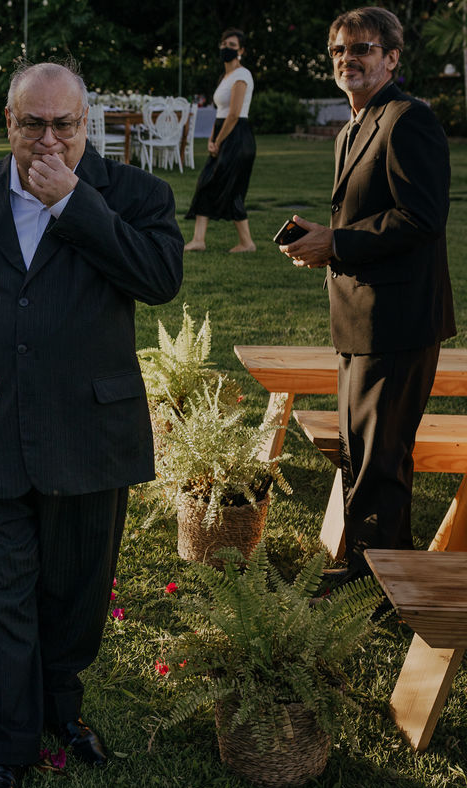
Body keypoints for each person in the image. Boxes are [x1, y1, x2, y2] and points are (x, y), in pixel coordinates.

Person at [0, 60, 183, 788]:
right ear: (8, 123)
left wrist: (75, 205)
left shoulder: (134, 195)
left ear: (85, 124)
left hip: (90, 434)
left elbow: (159, 279)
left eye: (64, 124)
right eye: (33, 124)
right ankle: (6, 750)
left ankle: (63, 707)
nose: (48, 139)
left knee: (75, 595)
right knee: (0, 599)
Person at [279, 7, 454, 587]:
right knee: (359, 453)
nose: (347, 59)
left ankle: (377, 582)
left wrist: (340, 242)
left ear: (392, 58)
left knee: (381, 459)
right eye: (338, 51)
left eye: (362, 48)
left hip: (399, 321)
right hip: (358, 319)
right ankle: (370, 569)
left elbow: (422, 218)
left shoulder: (408, 120)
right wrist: (322, 243)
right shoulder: (354, 126)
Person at [184, 28, 257, 253]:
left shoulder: (242, 75)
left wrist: (219, 140)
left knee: (231, 188)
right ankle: (198, 240)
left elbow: (234, 114)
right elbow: (221, 113)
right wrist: (212, 139)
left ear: (241, 51)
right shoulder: (225, 77)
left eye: (233, 45)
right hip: (224, 133)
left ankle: (247, 243)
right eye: (224, 44)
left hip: (237, 137)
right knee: (207, 182)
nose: (227, 48)